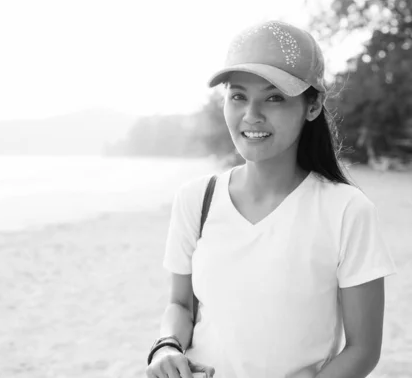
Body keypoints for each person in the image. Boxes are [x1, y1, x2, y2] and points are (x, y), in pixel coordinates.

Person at [145, 20, 397, 378]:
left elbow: (363, 350)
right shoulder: (195, 199)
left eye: (274, 97)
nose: (252, 115)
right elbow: (180, 304)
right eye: (238, 96)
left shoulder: (346, 210)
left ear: (313, 105)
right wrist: (166, 346)